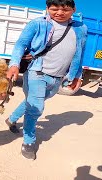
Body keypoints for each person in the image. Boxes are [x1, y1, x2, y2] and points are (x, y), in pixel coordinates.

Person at [6, 0, 87, 160]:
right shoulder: (37, 24)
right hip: (37, 71)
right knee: (36, 107)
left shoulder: (81, 28)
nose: (59, 12)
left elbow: (80, 52)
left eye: (65, 9)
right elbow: (21, 44)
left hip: (59, 77)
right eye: (54, 8)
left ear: (74, 9)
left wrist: (77, 75)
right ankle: (28, 142)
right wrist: (14, 64)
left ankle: (11, 119)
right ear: (47, 8)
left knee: (34, 101)